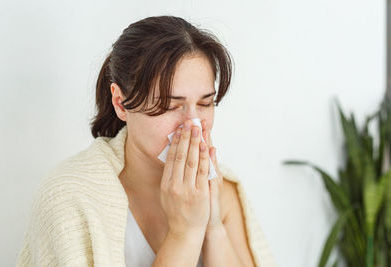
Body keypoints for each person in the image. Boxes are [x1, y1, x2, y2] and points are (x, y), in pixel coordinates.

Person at [16, 15, 277, 267]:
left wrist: (213, 226)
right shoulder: (69, 197)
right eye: (169, 106)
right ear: (120, 103)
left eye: (205, 103)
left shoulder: (222, 189)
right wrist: (184, 234)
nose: (193, 125)